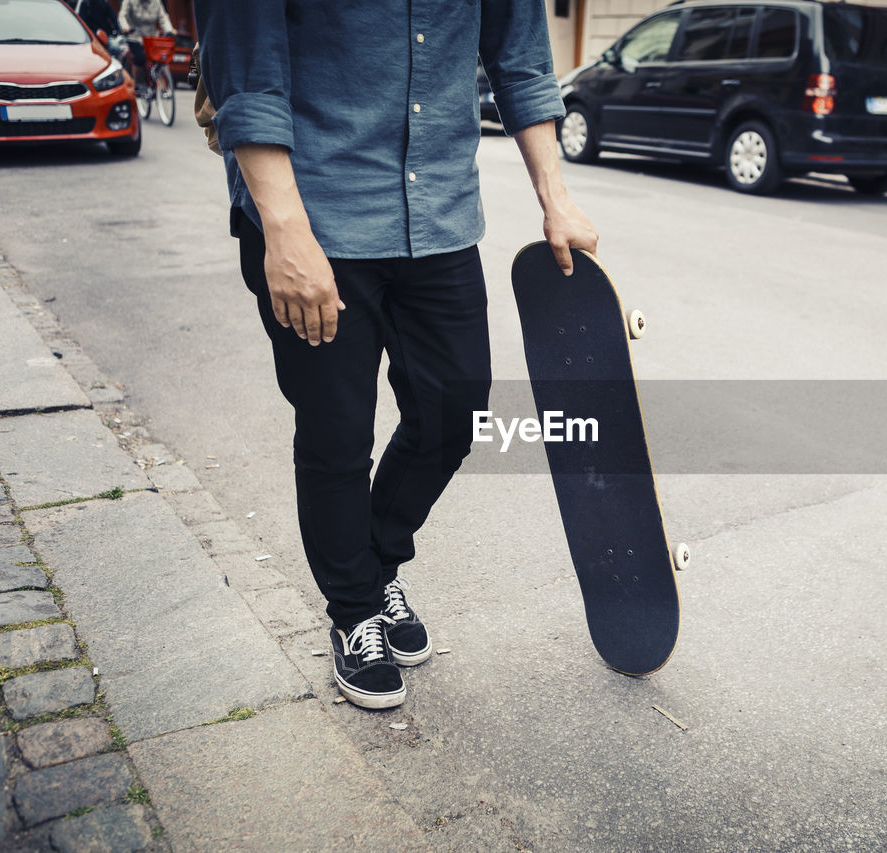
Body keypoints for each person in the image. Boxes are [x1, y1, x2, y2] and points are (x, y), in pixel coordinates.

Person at [195, 2, 598, 709]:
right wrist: (284, 232)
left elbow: (522, 60)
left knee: (457, 408)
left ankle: (375, 562)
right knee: (336, 432)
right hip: (317, 211)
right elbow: (247, 78)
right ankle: (354, 612)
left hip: (441, 211)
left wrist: (555, 197)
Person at [117, 0, 172, 87]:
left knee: (160, 58)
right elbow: (122, 16)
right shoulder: (129, 1)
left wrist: (169, 30)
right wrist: (125, 27)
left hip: (152, 37)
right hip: (135, 36)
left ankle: (161, 85)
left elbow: (163, 18)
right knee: (140, 57)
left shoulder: (156, 2)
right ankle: (136, 83)